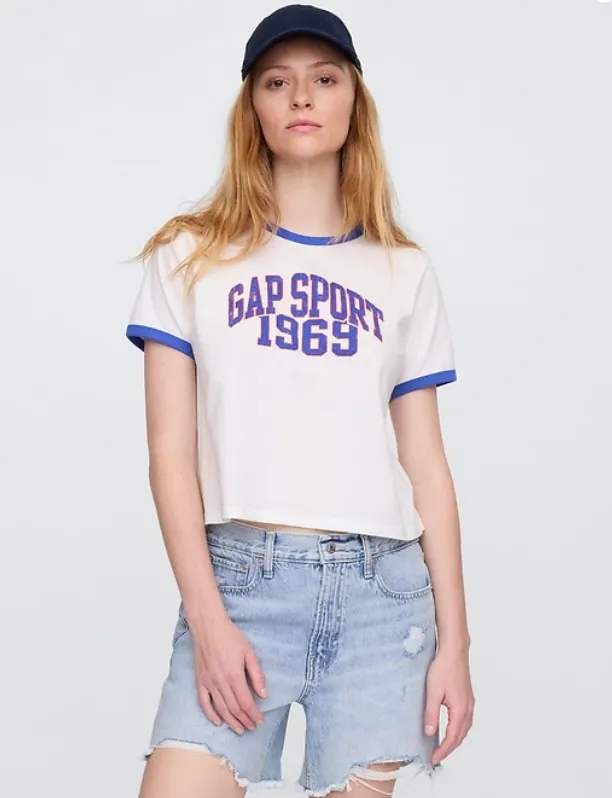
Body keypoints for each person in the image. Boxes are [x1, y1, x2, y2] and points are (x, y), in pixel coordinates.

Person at [125, 5, 474, 797]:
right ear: (253, 105)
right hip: (241, 585)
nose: (302, 97)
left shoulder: (403, 271)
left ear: (355, 100)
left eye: (325, 78)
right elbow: (169, 456)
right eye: (277, 83)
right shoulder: (188, 256)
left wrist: (456, 644)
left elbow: (427, 467)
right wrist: (208, 620)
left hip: (383, 598)